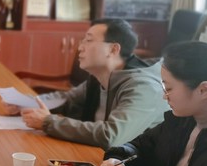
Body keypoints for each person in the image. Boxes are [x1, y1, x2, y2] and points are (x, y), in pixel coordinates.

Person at [10, 19, 167, 148]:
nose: (80, 47)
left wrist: (48, 122)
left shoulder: (144, 88)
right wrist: (26, 103)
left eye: (89, 40)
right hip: (101, 157)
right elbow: (67, 99)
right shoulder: (99, 77)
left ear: (113, 50)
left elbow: (111, 135)